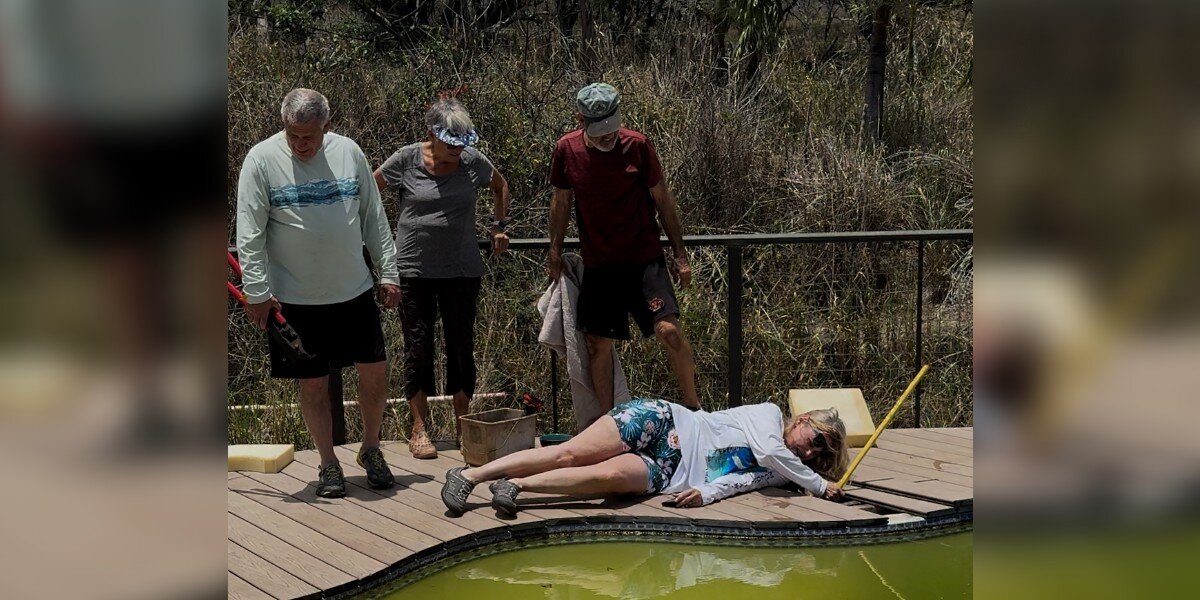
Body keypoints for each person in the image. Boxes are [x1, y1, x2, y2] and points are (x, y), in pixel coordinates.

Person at [236, 88, 401, 498]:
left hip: (355, 290)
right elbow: (250, 232)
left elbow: (372, 217)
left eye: (309, 135)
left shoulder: (350, 153)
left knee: (375, 372)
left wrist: (390, 271)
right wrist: (256, 290)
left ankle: (371, 449)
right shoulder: (261, 159)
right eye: (293, 135)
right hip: (295, 298)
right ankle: (328, 463)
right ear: (284, 125)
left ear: (327, 125)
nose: (301, 144)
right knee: (312, 384)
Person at [548, 82, 701, 417]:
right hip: (600, 262)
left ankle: (694, 406)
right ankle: (607, 422)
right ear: (581, 119)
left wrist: (680, 255)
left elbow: (663, 200)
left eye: (611, 130)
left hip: (643, 257)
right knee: (597, 343)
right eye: (600, 132)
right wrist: (554, 250)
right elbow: (561, 201)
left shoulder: (638, 145)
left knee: (669, 331)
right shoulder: (567, 150)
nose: (607, 138)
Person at [373, 97, 510, 459]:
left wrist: (498, 226)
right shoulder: (406, 159)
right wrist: (378, 240)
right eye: (450, 145)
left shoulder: (473, 162)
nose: (456, 153)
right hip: (413, 269)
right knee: (417, 348)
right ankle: (419, 427)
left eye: (461, 146)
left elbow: (500, 185)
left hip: (462, 270)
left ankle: (464, 423)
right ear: (431, 134)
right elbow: (370, 192)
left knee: (461, 346)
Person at [440, 398, 848, 516]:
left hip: (670, 472)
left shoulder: (784, 472)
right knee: (569, 453)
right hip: (663, 421)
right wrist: (817, 484)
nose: (808, 450)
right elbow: (769, 451)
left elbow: (745, 480)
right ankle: (469, 476)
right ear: (804, 419)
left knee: (605, 478)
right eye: (814, 438)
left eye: (818, 453)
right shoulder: (770, 415)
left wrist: (705, 493)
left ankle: (515, 486)